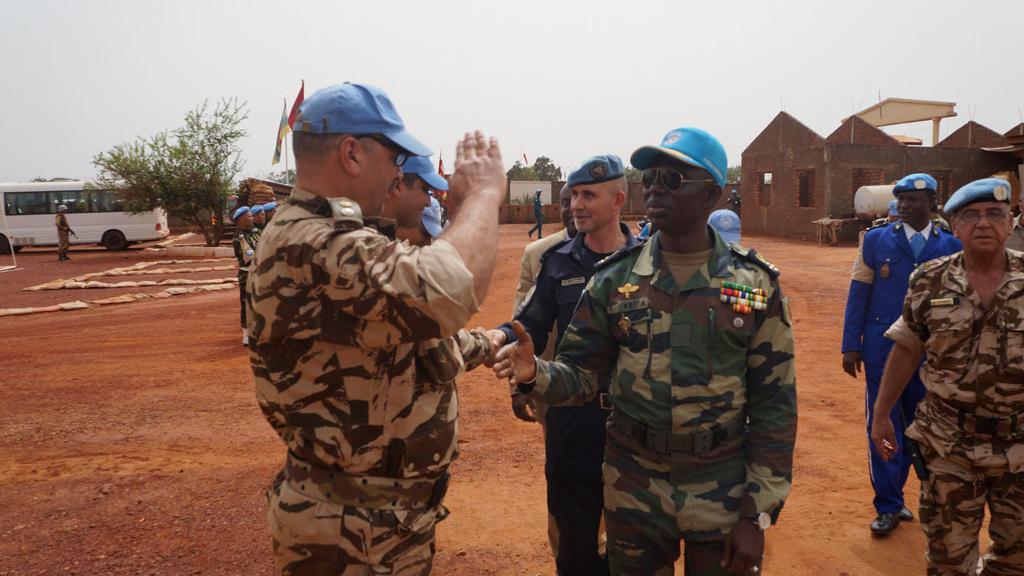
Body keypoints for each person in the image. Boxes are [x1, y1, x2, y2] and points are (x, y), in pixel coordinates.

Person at [495, 127, 797, 575]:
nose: (655, 187)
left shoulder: (752, 285)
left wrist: (757, 515)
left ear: (711, 194)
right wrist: (535, 374)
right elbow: (582, 374)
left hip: (721, 484)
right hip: (635, 484)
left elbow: (775, 406)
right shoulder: (614, 279)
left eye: (672, 179)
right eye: (651, 177)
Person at [247, 82, 506, 576]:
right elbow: (448, 290)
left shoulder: (324, 233)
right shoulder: (314, 240)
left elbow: (419, 338)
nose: (396, 174)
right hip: (351, 530)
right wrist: (484, 195)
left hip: (369, 520)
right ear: (351, 154)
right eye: (394, 157)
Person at [873, 177, 1024, 574]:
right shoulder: (929, 279)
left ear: (1011, 222)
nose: (983, 223)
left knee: (1016, 560)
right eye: (971, 215)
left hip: (1020, 446)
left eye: (995, 214)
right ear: (955, 226)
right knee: (948, 562)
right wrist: (882, 413)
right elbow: (907, 347)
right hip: (949, 445)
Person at [499, 154, 636, 576]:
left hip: (635, 423)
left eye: (588, 196)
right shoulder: (556, 261)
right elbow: (530, 324)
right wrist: (499, 339)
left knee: (635, 547)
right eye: (574, 195)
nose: (576, 204)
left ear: (617, 200)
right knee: (575, 549)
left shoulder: (649, 262)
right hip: (572, 420)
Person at [841, 173, 962, 536]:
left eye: (913, 200)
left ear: (932, 204)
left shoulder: (952, 245)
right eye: (902, 199)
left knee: (926, 428)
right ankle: (889, 505)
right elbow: (858, 293)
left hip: (933, 355)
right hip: (882, 350)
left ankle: (919, 499)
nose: (905, 206)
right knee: (882, 425)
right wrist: (851, 344)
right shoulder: (875, 240)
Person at [232, 206, 256, 346]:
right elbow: (250, 257)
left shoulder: (254, 232)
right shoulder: (240, 237)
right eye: (249, 216)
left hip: (258, 272)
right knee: (246, 303)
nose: (252, 218)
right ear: (241, 219)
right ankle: (246, 335)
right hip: (247, 274)